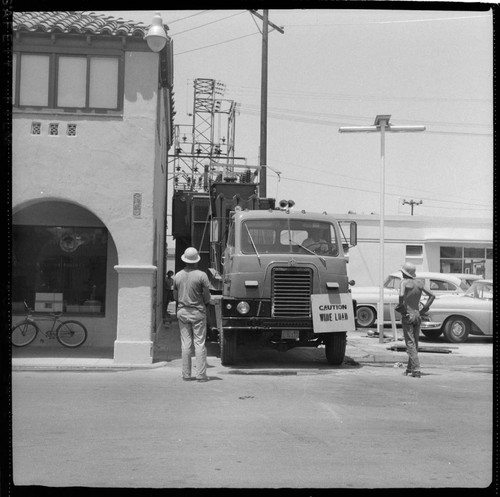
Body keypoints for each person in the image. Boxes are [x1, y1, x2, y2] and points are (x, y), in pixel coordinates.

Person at [173, 247, 212, 382]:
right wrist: (204, 303)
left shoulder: (177, 275)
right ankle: (201, 375)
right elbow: (207, 296)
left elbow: (175, 296)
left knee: (186, 344)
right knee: (199, 343)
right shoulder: (202, 276)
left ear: (184, 259)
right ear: (196, 261)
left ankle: (186, 375)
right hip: (198, 312)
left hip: (182, 312)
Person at [396, 262, 435, 378]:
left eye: (402, 272)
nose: (402, 274)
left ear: (405, 273)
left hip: (408, 315)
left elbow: (401, 295)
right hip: (417, 315)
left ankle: (416, 369)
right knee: (414, 343)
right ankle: (409, 369)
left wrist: (401, 306)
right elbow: (432, 295)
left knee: (410, 343)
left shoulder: (404, 282)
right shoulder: (419, 283)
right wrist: (425, 309)